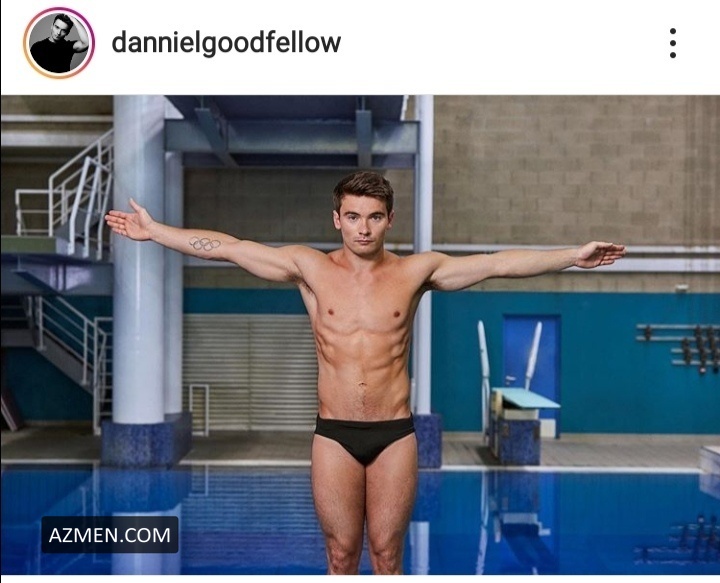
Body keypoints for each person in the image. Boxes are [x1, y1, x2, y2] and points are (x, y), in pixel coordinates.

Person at [104, 171, 626, 574]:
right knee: (340, 553)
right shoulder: (309, 267)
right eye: (353, 216)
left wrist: (572, 257)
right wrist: (155, 232)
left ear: (389, 219)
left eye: (374, 217)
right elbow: (229, 248)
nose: (363, 227)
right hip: (334, 433)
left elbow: (495, 264)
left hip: (394, 433)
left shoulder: (416, 271)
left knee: (387, 554)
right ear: (337, 219)